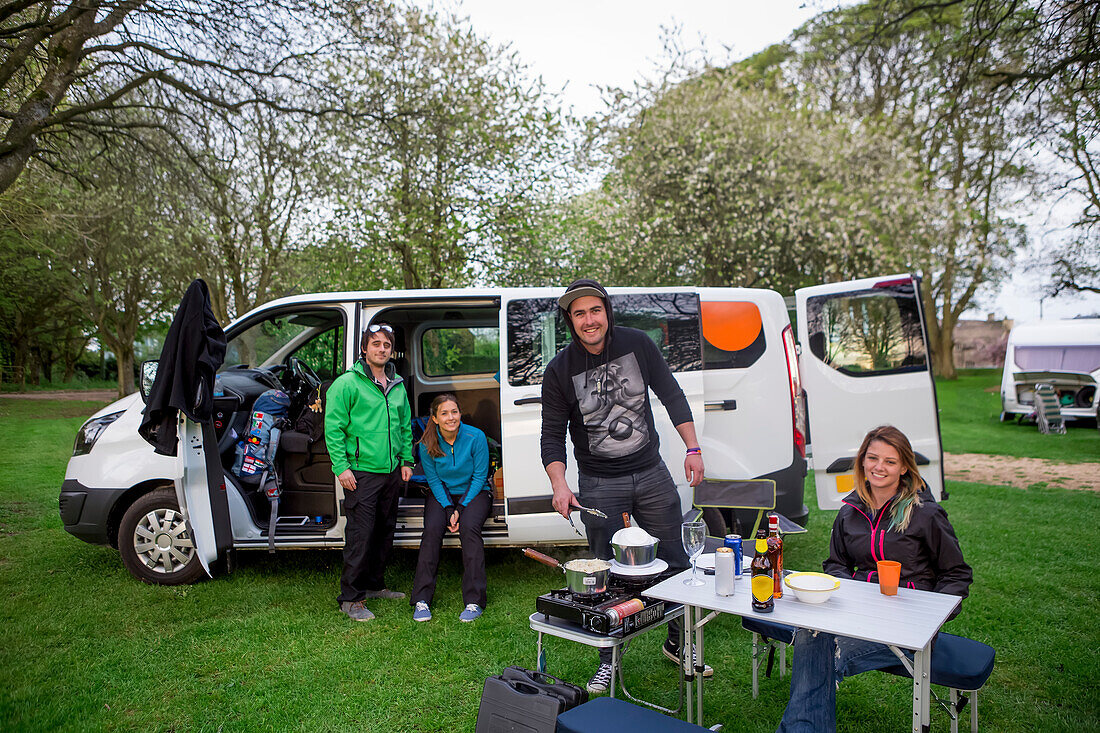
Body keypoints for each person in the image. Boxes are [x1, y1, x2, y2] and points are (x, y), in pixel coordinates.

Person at [540, 279, 708, 694]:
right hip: (599, 482)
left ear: (606, 312)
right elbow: (551, 435)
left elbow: (671, 394)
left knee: (674, 559)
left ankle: (679, 643)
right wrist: (560, 485)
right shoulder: (559, 370)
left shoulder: (638, 344)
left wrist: (693, 447)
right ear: (570, 320)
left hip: (651, 472)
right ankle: (608, 660)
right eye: (578, 313)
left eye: (594, 310)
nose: (588, 320)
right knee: (604, 575)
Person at [777, 425, 972, 732]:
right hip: (855, 616)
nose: (879, 467)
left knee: (818, 652)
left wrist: (933, 615)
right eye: (872, 458)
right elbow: (835, 564)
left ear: (904, 466)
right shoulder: (850, 512)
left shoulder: (925, 514)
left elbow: (957, 574)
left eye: (890, 461)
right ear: (862, 461)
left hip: (907, 626)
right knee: (811, 634)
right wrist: (856, 590)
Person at [325, 322, 413, 621]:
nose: (381, 349)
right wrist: (342, 467)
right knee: (361, 535)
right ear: (365, 349)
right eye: (375, 344)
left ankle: (375, 585)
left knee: (383, 531)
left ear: (392, 351)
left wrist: (406, 460)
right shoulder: (347, 384)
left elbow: (403, 427)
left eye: (386, 345)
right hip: (360, 472)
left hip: (390, 472)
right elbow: (333, 428)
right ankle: (351, 597)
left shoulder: (397, 385)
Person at [409, 394, 494, 623]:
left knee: (469, 528)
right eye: (444, 413)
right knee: (432, 531)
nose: (451, 417)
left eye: (454, 412)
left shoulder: (475, 436)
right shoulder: (428, 441)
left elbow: (479, 476)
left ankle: (474, 602)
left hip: (475, 491)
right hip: (442, 493)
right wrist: (448, 508)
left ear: (460, 413)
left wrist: (461, 507)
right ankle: (422, 600)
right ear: (435, 418)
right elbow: (434, 480)